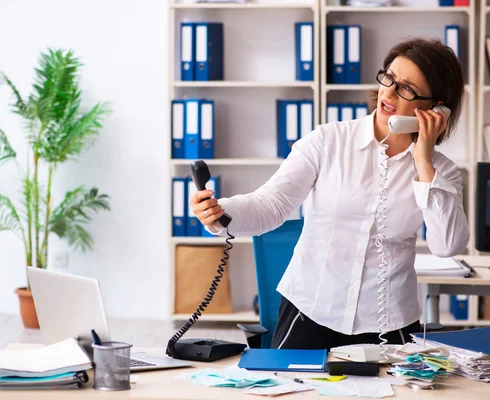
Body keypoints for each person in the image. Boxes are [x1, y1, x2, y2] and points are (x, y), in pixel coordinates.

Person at [189, 38, 469, 350]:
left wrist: (423, 162)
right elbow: (272, 204)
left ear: (436, 109)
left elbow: (448, 245)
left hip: (391, 325)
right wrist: (219, 211)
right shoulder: (328, 141)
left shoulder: (441, 172)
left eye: (406, 88)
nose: (388, 92)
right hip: (310, 312)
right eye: (389, 77)